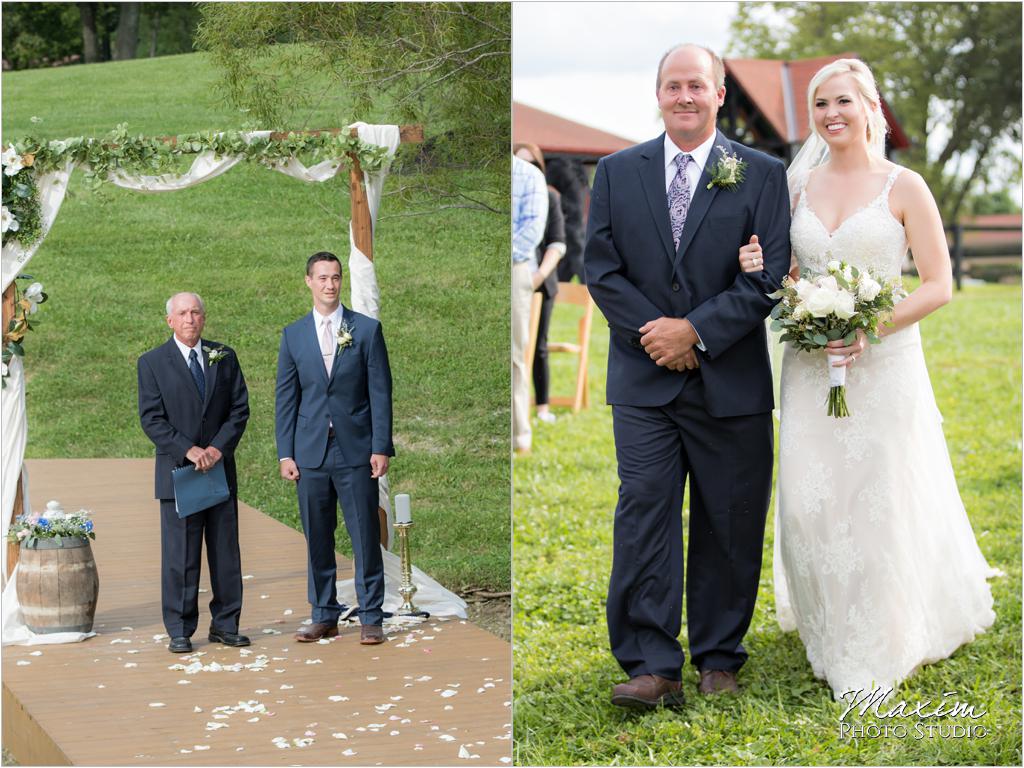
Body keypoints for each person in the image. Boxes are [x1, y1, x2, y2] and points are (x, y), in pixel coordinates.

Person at [738, 58, 998, 698]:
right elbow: (787, 274)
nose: (832, 114)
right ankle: (829, 622)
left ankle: (885, 636)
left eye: (844, 101)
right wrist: (764, 269)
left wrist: (868, 327)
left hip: (883, 364)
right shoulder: (797, 188)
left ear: (870, 107)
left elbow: (939, 285)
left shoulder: (905, 186)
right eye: (821, 103)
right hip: (808, 364)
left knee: (880, 496)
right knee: (813, 497)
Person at [583, 44, 790, 709]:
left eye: (697, 86)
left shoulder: (760, 173)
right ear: (658, 94)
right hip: (644, 383)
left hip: (729, 380)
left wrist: (695, 332)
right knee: (644, 511)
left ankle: (719, 655)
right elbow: (601, 270)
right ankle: (651, 664)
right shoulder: (616, 172)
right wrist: (660, 335)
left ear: (719, 94)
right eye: (673, 86)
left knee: (729, 519)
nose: (684, 97)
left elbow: (767, 276)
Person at [275, 252, 394, 646]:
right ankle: (324, 613)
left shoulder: (366, 330)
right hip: (310, 452)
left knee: (364, 533)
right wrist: (285, 453)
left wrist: (380, 446)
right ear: (308, 281)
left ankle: (371, 616)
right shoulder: (293, 335)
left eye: (336, 278)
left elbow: (380, 393)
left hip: (355, 450)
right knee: (317, 536)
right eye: (323, 278)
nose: (330, 284)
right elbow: (286, 399)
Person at [138, 292, 251, 654]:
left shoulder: (224, 356)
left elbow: (239, 409)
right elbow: (151, 418)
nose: (190, 319)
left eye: (196, 312)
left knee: (225, 552)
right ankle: (180, 628)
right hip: (179, 472)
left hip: (218, 470)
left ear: (204, 318)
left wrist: (218, 447)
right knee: (180, 556)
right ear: (170, 320)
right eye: (183, 313)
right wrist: (188, 449)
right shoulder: (152, 363)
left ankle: (226, 623)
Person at [514, 142, 567, 424]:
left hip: (539, 280)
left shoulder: (550, 197)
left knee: (538, 345)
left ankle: (543, 405)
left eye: (530, 164)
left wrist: (537, 276)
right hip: (518, 277)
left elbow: (557, 243)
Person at [512, 155, 549, 454]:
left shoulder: (528, 175)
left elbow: (532, 230)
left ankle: (518, 434)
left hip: (514, 266)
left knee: (514, 355)